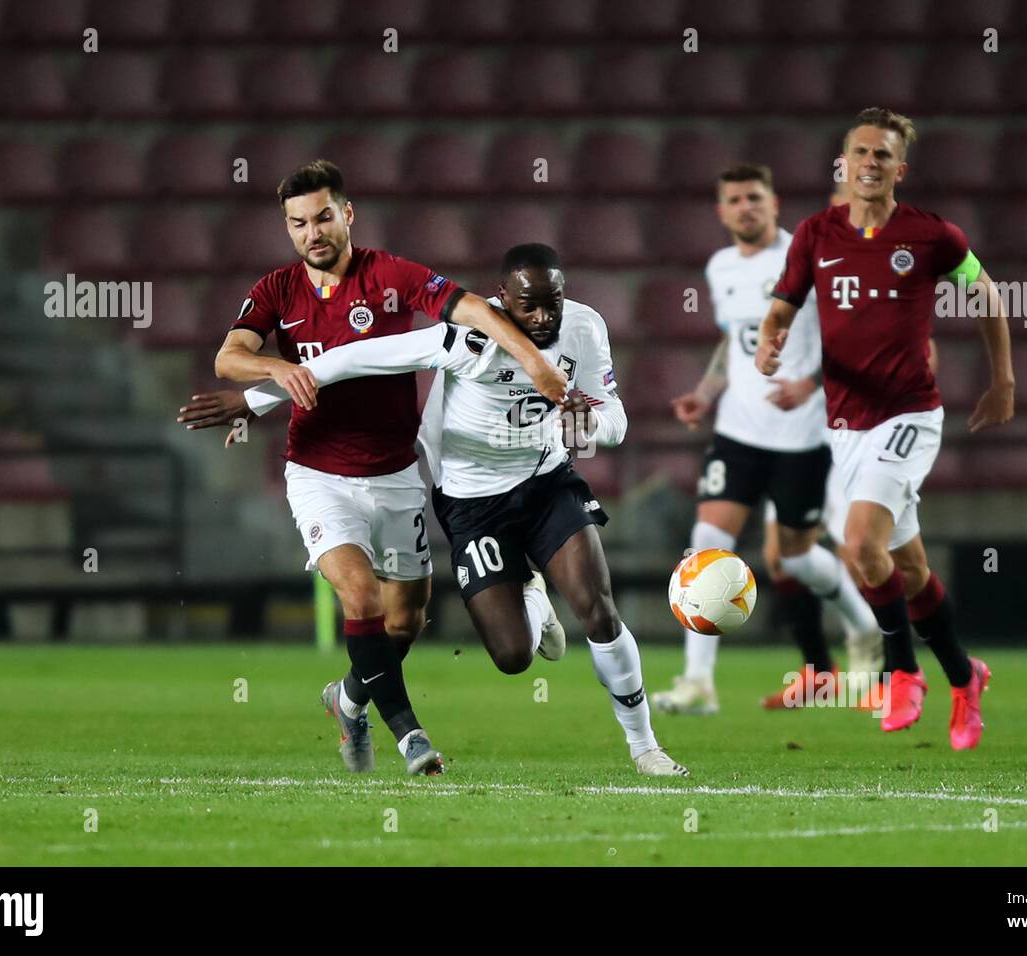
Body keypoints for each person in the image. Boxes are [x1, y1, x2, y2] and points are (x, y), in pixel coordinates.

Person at [191, 244, 689, 777]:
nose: (544, 317)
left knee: (598, 609)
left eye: (554, 303)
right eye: (530, 306)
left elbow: (614, 412)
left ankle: (645, 749)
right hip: (472, 503)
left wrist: (589, 424)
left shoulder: (585, 328)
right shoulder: (463, 338)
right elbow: (350, 359)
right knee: (512, 657)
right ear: (502, 302)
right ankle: (533, 600)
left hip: (548, 481)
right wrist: (254, 400)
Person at [183, 160, 566, 776]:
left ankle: (350, 698)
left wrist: (537, 363)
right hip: (317, 473)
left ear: (347, 214)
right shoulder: (277, 290)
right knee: (358, 598)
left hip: (394, 474)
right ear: (288, 228)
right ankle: (411, 737)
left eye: (324, 217)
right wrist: (274, 371)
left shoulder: (390, 275)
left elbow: (470, 309)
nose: (313, 232)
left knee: (405, 619)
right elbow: (229, 357)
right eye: (298, 222)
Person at [757, 108, 1014, 749]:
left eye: (883, 155)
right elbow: (782, 306)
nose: (870, 163)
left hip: (910, 415)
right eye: (860, 153)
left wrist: (1003, 380)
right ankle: (964, 676)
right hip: (846, 425)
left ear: (901, 168)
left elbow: (987, 295)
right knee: (911, 569)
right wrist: (769, 341)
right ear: (843, 164)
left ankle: (903, 673)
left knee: (858, 544)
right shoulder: (816, 234)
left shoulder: (932, 237)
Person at [651, 164, 881, 718]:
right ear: (721, 211)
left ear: (774, 203)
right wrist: (706, 393)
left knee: (794, 560)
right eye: (734, 200)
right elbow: (733, 340)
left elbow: (854, 338)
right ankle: (698, 683)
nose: (745, 207)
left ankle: (866, 632)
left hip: (802, 437)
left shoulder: (810, 257)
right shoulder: (720, 266)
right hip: (738, 432)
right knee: (707, 543)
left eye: (755, 197)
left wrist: (809, 383)